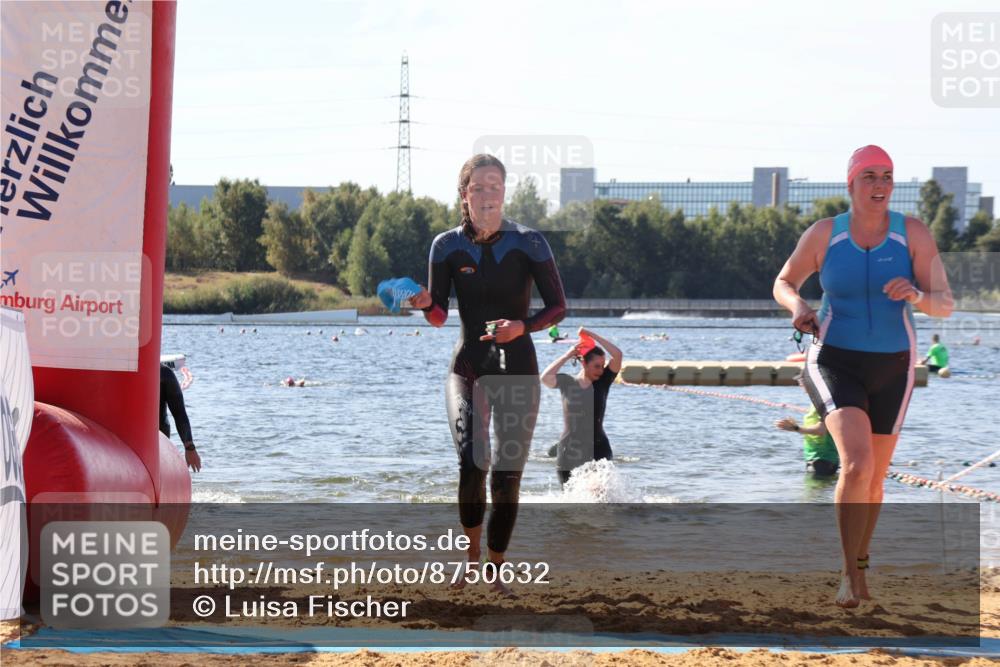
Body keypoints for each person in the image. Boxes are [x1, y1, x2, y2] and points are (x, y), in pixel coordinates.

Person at [773, 145, 953, 608]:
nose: (879, 185)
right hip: (834, 357)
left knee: (874, 478)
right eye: (869, 176)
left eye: (887, 177)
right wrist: (799, 307)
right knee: (855, 464)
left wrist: (915, 294)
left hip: (894, 365)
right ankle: (849, 576)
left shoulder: (911, 234)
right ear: (851, 184)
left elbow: (945, 303)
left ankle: (861, 568)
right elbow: (784, 280)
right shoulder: (825, 234)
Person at [409, 154, 566, 595]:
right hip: (468, 367)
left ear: (504, 192)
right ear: (465, 195)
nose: (487, 195)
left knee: (507, 475)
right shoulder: (446, 246)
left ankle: (495, 573)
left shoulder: (530, 242)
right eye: (478, 187)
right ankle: (469, 561)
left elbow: (558, 306)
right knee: (471, 461)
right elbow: (440, 315)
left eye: (494, 186)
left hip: (518, 367)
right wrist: (425, 305)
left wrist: (524, 326)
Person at [541, 328, 623, 485]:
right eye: (596, 366)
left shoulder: (603, 381)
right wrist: (567, 355)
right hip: (568, 450)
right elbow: (545, 378)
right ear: (584, 363)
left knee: (599, 496)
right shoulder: (567, 382)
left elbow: (618, 355)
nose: (601, 370)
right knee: (569, 502)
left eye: (602, 365)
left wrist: (592, 335)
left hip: (598, 448)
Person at [775, 407, 840, 478]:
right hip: (814, 459)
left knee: (815, 488)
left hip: (823, 460)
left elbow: (821, 430)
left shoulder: (822, 402)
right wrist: (795, 426)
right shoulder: (814, 403)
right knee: (818, 488)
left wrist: (797, 428)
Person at [160, 363, 201, 472]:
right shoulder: (121, 369)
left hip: (158, 440)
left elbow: (179, 414)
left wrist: (189, 447)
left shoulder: (164, 374)